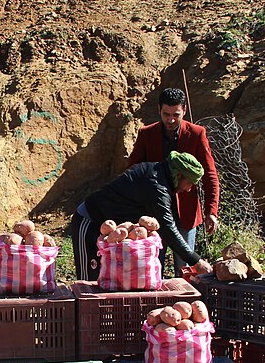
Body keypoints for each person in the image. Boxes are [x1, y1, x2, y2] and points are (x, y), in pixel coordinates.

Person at [70, 151, 214, 281]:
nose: (188, 189)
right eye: (189, 183)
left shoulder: (159, 174)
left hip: (113, 232)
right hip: (89, 223)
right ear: (179, 175)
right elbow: (167, 227)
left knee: (109, 280)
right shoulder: (157, 186)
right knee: (88, 282)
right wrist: (196, 261)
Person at [128, 88, 220, 265]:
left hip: (185, 213)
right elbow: (133, 171)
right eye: (166, 114)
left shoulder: (196, 134)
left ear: (184, 110)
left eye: (175, 115)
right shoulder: (146, 134)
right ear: (159, 110)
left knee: (185, 267)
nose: (170, 120)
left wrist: (211, 211)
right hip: (154, 214)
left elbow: (210, 175)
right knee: (152, 265)